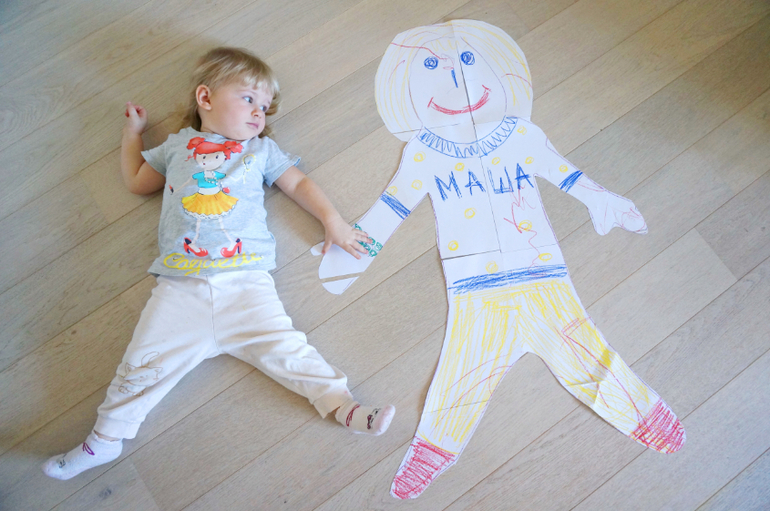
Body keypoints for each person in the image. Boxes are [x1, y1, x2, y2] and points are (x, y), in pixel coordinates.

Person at [315, 20, 684, 499]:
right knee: (462, 376)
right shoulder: (422, 153)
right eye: (433, 68)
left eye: (467, 62)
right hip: (474, 289)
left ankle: (647, 419)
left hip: (542, 276)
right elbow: (394, 206)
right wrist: (350, 248)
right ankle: (431, 453)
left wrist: (603, 201)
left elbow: (565, 174)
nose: (455, 77)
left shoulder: (521, 135)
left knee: (585, 354)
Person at [42, 47, 395, 481]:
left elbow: (298, 184)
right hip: (179, 288)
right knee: (140, 366)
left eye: (265, 106)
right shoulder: (177, 147)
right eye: (249, 99)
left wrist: (333, 221)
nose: (259, 112)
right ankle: (104, 440)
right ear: (205, 98)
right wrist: (133, 134)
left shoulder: (260, 150)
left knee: (288, 350)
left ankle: (344, 407)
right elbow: (136, 181)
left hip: (246, 283)